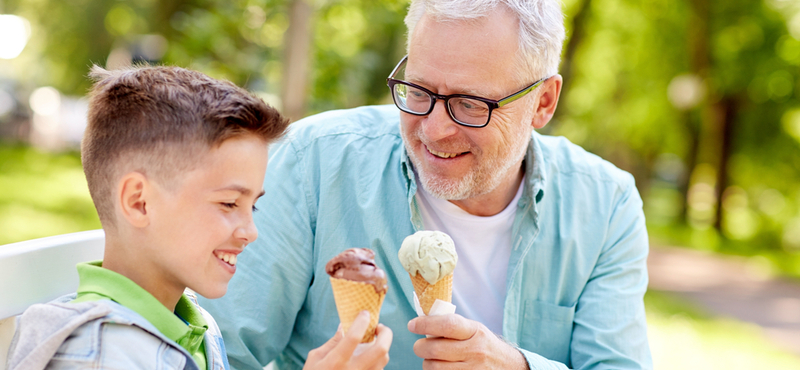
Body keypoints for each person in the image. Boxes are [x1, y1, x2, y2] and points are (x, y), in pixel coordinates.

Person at [200, 0, 652, 369]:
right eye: (418, 91)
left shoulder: (606, 205)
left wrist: (518, 366)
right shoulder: (313, 162)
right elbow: (213, 356)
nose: (434, 130)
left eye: (470, 104)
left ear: (543, 102)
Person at [5, 65, 392, 370]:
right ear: (139, 202)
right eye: (228, 204)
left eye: (253, 205)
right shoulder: (101, 355)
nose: (251, 231)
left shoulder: (194, 323)